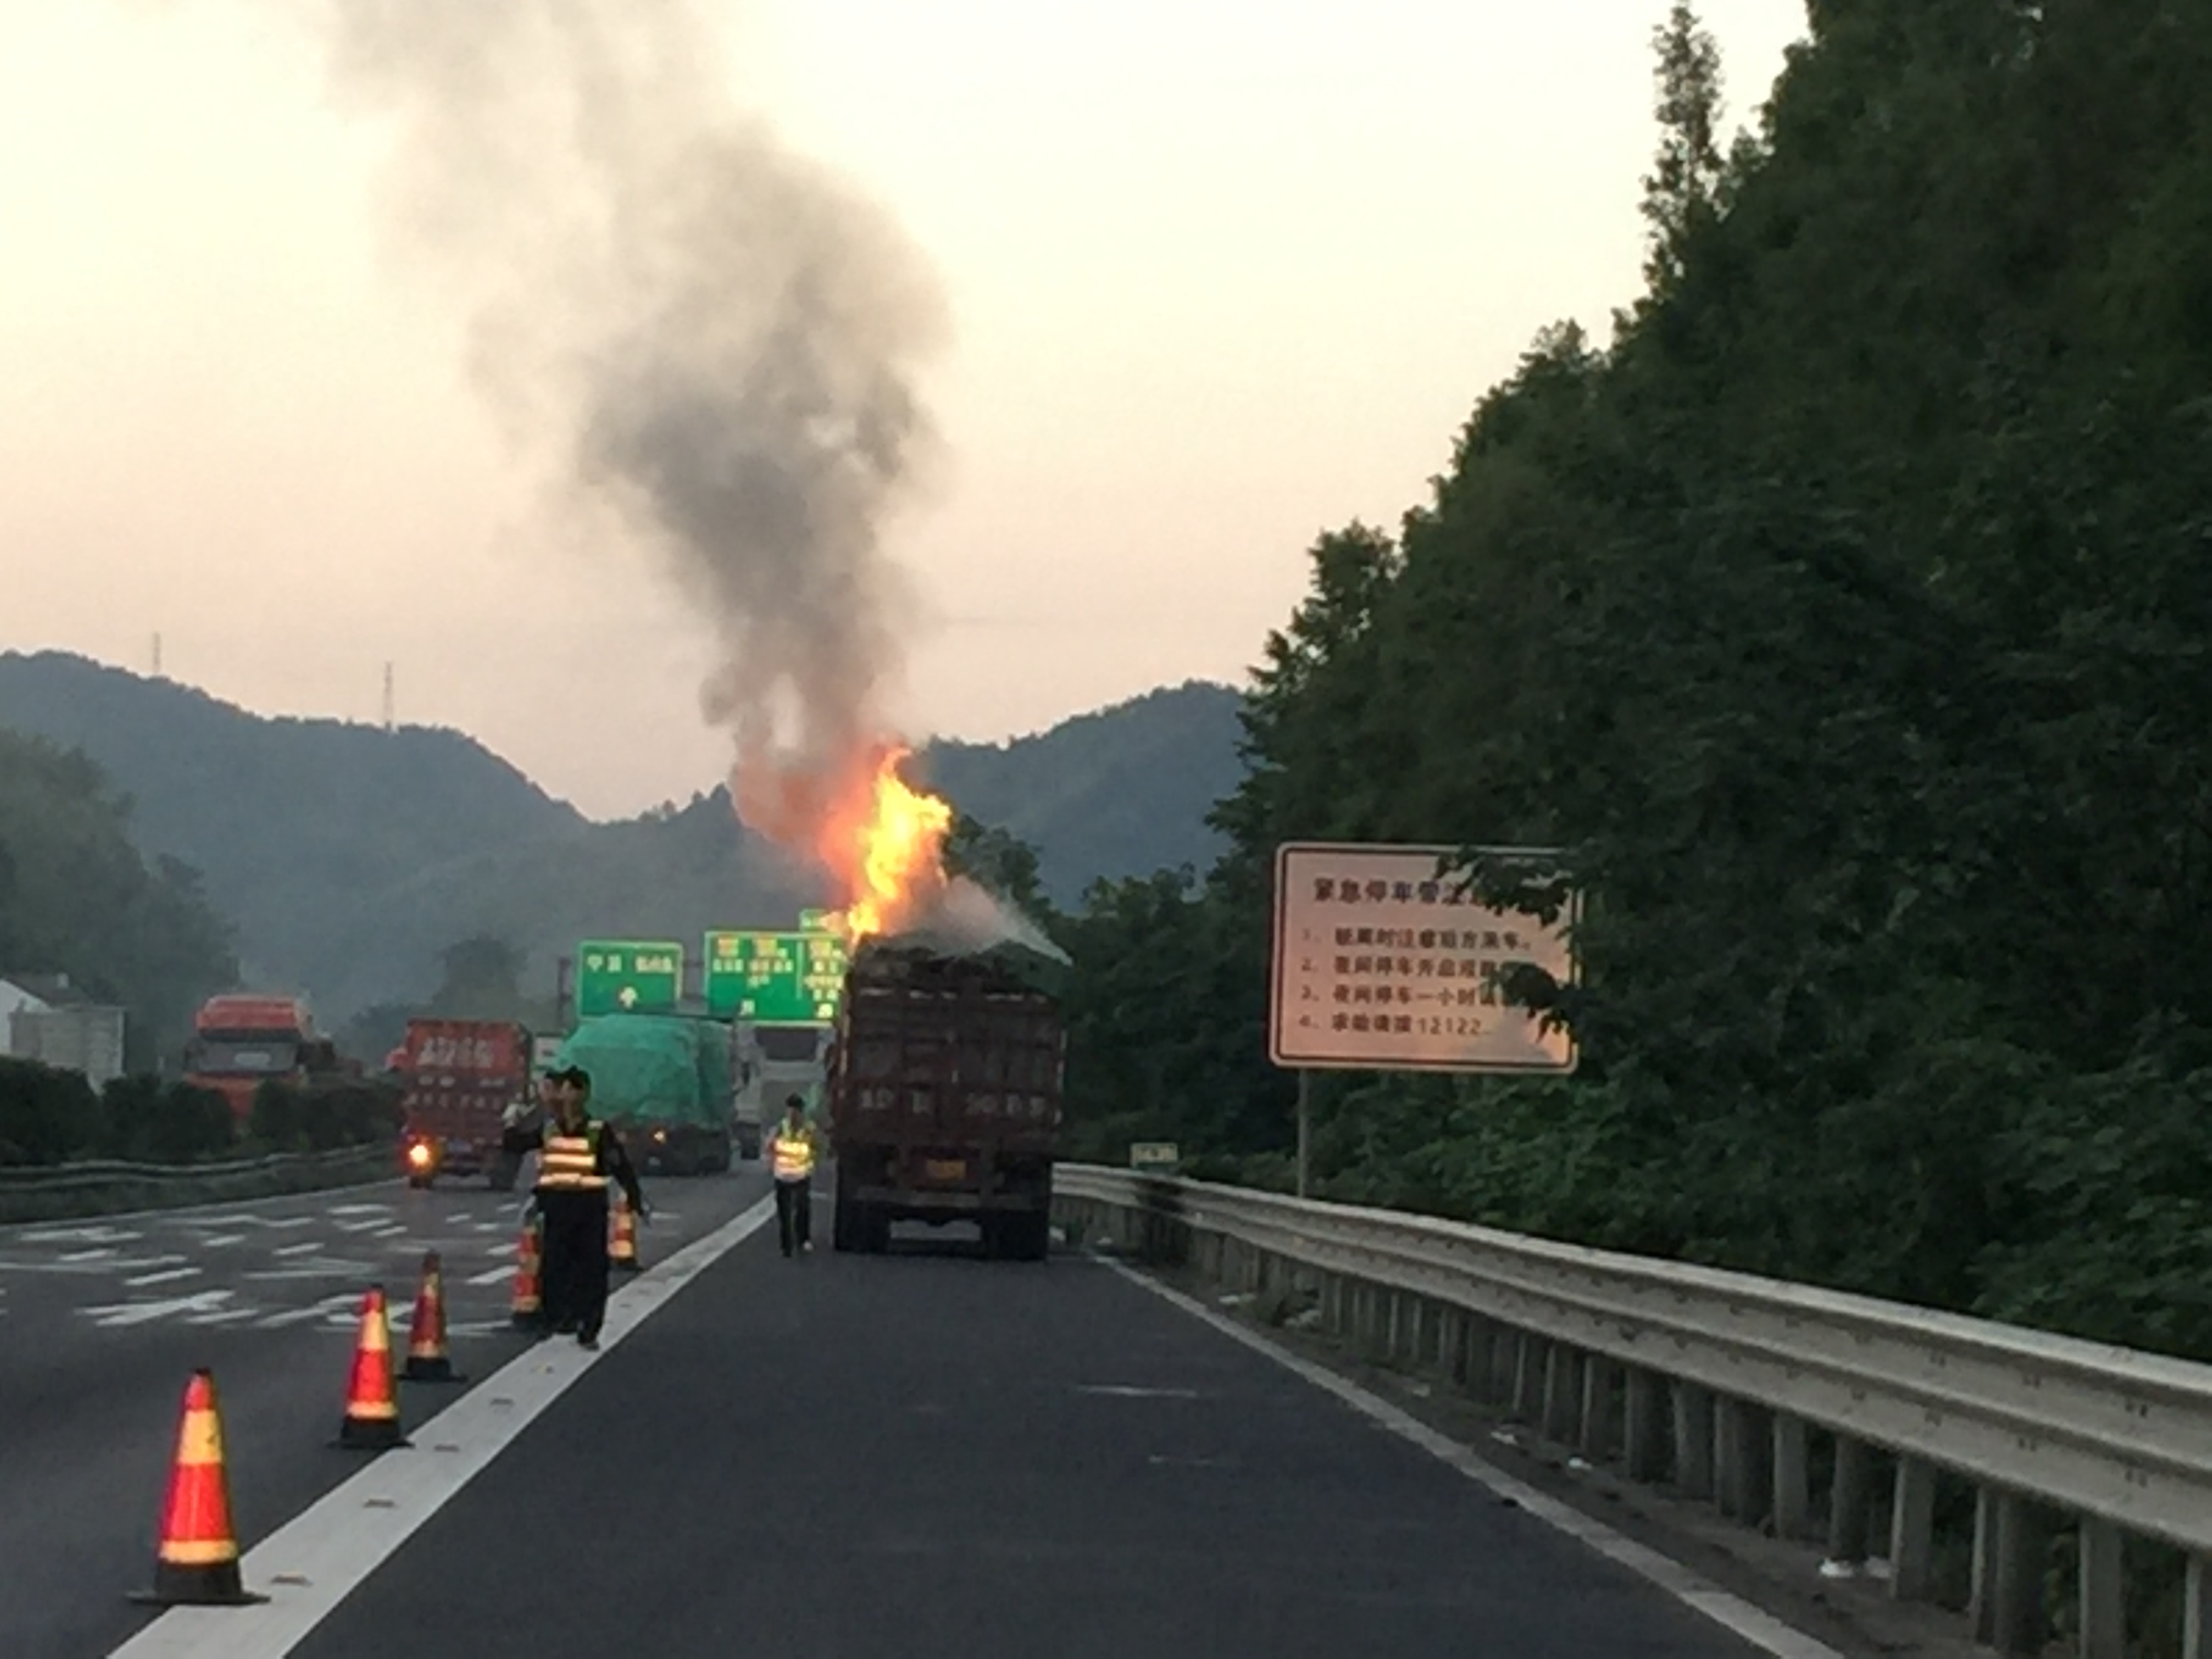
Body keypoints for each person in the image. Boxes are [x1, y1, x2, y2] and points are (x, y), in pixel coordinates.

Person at [501, 1064, 644, 1349]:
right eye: (566, 1090)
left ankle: (588, 1327)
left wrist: (634, 1197)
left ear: (584, 1094)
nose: (569, 1097)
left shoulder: (597, 1131)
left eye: (574, 1090)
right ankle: (558, 1319)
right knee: (555, 1267)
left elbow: (620, 1166)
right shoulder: (549, 1129)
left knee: (591, 1270)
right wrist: (512, 1120)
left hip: (588, 1210)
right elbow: (515, 1144)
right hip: (557, 1209)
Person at [769, 1093, 819, 1258]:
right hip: (782, 1175)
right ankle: (786, 1245)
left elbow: (816, 1148)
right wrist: (772, 1163)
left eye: (795, 1110)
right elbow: (771, 1146)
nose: (792, 1114)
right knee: (784, 1212)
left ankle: (802, 1239)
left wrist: (811, 1165)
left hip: (801, 1174)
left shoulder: (808, 1129)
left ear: (801, 1112)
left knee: (802, 1208)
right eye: (790, 1110)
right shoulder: (782, 1126)